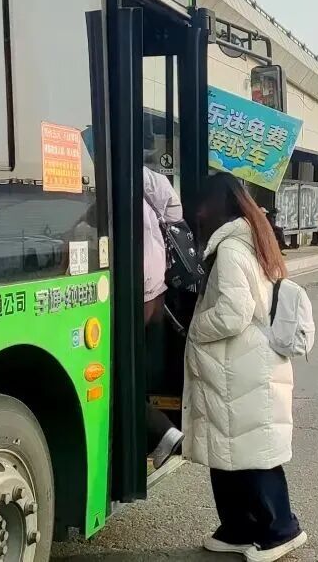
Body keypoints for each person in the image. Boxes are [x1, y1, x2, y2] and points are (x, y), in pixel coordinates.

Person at [185, 173, 307, 561]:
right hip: (239, 368)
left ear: (216, 206)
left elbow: (233, 313)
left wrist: (194, 328)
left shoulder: (231, 250)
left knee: (255, 455)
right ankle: (238, 527)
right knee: (230, 454)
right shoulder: (252, 240)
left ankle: (282, 529)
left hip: (242, 368)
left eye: (201, 205)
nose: (196, 214)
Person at [143, 166, 184, 469]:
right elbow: (175, 214)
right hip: (158, 283)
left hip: (138, 287)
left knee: (117, 374)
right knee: (145, 367)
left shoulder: (116, 172)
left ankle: (160, 431)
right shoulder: (154, 182)